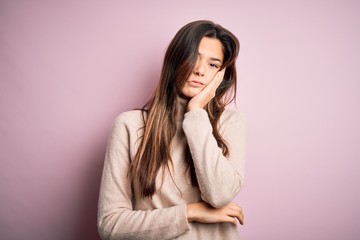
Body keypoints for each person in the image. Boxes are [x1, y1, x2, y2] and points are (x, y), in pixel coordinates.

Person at [97, 20, 247, 239]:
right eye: (193, 57)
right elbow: (110, 225)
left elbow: (220, 195)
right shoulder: (130, 125)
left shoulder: (231, 122)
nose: (200, 70)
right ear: (175, 60)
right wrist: (190, 213)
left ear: (221, 76)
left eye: (213, 65)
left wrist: (196, 112)